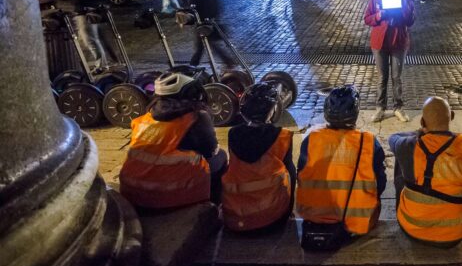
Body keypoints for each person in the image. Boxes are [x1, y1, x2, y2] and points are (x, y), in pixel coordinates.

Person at [119, 69, 228, 208]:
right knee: (221, 156)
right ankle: (212, 207)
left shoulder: (146, 117)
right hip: (164, 195)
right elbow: (209, 150)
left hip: (131, 190)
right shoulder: (196, 117)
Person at [389, 96, 462, 246]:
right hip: (457, 231)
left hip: (413, 227)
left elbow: (393, 138)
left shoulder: (410, 145)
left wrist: (420, 133)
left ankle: (402, 205)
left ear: (422, 122)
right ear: (451, 116)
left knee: (402, 161)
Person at [296, 86, 386, 238]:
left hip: (313, 218)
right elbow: (381, 184)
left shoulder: (311, 140)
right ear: (355, 112)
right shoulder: (368, 142)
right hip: (356, 224)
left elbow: (301, 176)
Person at [222, 83, 295, 231]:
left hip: (235, 219)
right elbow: (292, 174)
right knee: (288, 172)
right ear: (271, 111)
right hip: (272, 219)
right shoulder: (283, 136)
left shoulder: (233, 134)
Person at [364, 0, 415, 123]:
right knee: (382, 77)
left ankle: (398, 107)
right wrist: (378, 16)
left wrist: (404, 7)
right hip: (380, 43)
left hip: (398, 42)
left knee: (396, 77)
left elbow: (411, 20)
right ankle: (380, 108)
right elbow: (367, 18)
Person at [187, 0, 236, 67]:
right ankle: (228, 61)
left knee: (202, 46)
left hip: (205, 21)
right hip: (200, 21)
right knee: (205, 45)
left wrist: (207, 19)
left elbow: (213, 4)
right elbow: (191, 4)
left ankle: (192, 66)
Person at [64, 0, 109, 70]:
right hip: (92, 12)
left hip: (84, 13)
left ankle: (101, 65)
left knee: (90, 40)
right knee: (89, 40)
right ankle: (92, 64)